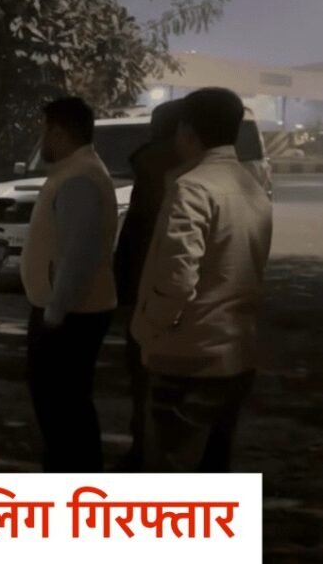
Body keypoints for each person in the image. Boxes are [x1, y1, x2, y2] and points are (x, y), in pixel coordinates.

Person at [133, 87, 273, 472]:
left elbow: (177, 278)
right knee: (214, 470)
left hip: (188, 356)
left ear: (187, 131)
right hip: (236, 353)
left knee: (171, 474)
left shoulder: (193, 187)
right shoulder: (251, 186)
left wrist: (150, 328)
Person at [22, 96, 118, 472]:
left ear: (59, 132)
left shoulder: (80, 178)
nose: (40, 140)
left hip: (70, 316)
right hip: (70, 311)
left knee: (63, 413)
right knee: (64, 409)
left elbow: (79, 252)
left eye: (43, 131)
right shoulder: (76, 171)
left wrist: (55, 312)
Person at [111, 99, 184, 471]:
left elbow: (139, 234)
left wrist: (126, 291)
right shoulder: (187, 166)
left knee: (148, 380)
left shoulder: (155, 167)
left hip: (152, 292)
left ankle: (145, 457)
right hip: (171, 294)